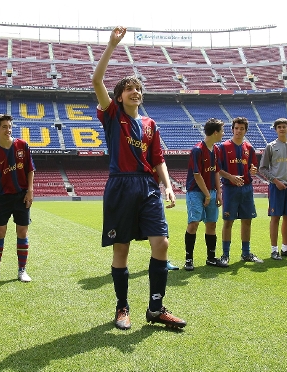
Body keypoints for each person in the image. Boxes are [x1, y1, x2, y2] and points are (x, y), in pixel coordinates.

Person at [92, 26, 186, 330]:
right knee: (122, 249)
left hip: (147, 187)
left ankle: (156, 309)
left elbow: (158, 159)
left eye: (138, 88)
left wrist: (168, 186)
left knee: (162, 244)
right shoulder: (111, 115)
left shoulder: (149, 124)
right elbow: (96, 80)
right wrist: (111, 45)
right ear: (119, 96)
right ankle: (122, 308)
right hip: (120, 185)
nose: (136, 91)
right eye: (129, 88)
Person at [0, 114, 36, 285]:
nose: (8, 129)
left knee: (22, 232)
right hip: (3, 198)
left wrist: (30, 190)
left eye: (9, 126)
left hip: (21, 195)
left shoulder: (22, 145)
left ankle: (22, 270)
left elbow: (30, 169)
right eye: (4, 127)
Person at [218, 117, 263, 264]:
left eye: (242, 128)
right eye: (236, 128)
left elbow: (253, 167)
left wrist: (254, 170)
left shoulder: (249, 148)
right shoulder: (223, 147)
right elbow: (217, 169)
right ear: (232, 129)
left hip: (247, 189)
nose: (238, 131)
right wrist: (230, 177)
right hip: (230, 189)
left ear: (245, 131)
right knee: (228, 221)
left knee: (247, 220)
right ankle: (225, 255)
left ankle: (246, 253)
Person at [184, 118, 226, 271]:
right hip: (196, 192)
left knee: (212, 224)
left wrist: (218, 193)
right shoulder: (197, 150)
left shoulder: (216, 150)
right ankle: (189, 259)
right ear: (215, 132)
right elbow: (197, 174)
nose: (223, 134)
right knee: (193, 224)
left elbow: (215, 171)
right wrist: (207, 195)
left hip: (212, 192)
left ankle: (211, 258)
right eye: (222, 131)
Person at [259, 118, 287, 260]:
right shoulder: (270, 146)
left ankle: (286, 248)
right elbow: (263, 168)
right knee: (275, 218)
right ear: (276, 130)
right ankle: (273, 250)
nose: (282, 129)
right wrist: (275, 181)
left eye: (284, 126)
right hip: (277, 187)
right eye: (279, 127)